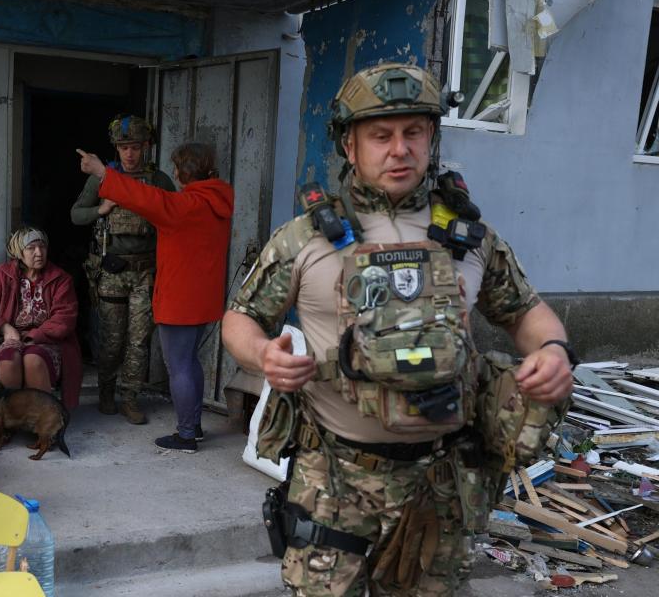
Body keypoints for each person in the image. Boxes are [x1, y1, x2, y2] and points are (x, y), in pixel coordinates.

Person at [222, 63, 575, 595]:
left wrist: (553, 349)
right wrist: (261, 355)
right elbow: (240, 318)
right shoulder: (302, 240)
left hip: (440, 484)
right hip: (334, 480)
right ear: (349, 145)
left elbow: (526, 311)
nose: (399, 149)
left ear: (431, 138)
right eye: (381, 135)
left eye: (414, 133)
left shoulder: (470, 238)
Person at [78, 142, 234, 453]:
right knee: (190, 362)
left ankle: (187, 434)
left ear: (184, 171)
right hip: (203, 297)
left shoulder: (185, 205)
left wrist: (101, 172)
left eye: (176, 167)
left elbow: (146, 197)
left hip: (181, 299)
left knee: (179, 365)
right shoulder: (215, 198)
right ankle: (195, 427)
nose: (173, 173)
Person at [70, 115, 176, 424]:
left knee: (139, 340)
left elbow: (174, 216)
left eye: (135, 147)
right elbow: (76, 215)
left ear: (146, 147)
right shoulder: (103, 177)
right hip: (113, 272)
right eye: (123, 147)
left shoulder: (158, 180)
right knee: (112, 340)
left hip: (145, 271)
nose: (129, 154)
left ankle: (130, 397)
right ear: (116, 149)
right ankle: (106, 392)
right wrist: (100, 209)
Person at [0, 226, 83, 410]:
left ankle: (43, 421)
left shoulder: (60, 279)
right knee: (8, 358)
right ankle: (9, 420)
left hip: (49, 340)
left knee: (33, 359)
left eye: (42, 247)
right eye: (31, 248)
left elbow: (65, 318)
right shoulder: (4, 275)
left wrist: (33, 337)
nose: (39, 253)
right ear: (19, 253)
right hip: (12, 338)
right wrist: (5, 329)